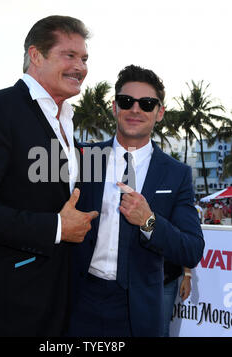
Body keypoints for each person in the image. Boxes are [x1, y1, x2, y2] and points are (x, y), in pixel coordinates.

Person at [0, 15, 98, 337]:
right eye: (68, 55)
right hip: (8, 304)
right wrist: (56, 227)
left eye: (84, 58)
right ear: (35, 56)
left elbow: (52, 194)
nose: (80, 67)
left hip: (60, 301)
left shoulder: (66, 121)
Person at [67, 64, 204, 337]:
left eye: (147, 103)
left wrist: (149, 222)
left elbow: (191, 249)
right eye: (126, 101)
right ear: (115, 107)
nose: (135, 110)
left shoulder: (175, 174)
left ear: (159, 112)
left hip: (138, 310)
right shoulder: (86, 158)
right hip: (79, 299)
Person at [163, 262, 192, 337]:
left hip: (168, 279)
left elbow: (184, 250)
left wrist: (187, 275)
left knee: (162, 331)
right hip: (140, 278)